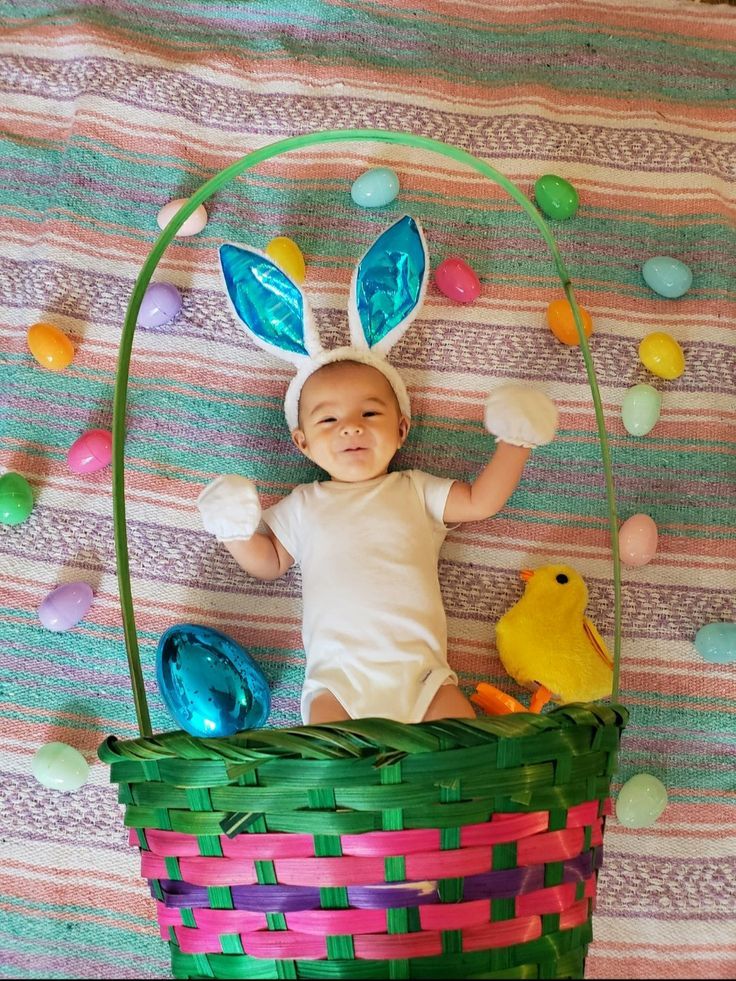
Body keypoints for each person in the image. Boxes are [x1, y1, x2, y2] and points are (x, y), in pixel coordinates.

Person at [197, 216, 558, 725]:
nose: (350, 428)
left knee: (463, 747)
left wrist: (516, 442)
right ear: (302, 442)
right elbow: (268, 563)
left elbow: (481, 502)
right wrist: (234, 530)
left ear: (402, 430)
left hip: (424, 678)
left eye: (370, 413)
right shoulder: (304, 505)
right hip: (338, 685)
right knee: (336, 763)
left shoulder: (414, 490)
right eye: (329, 419)